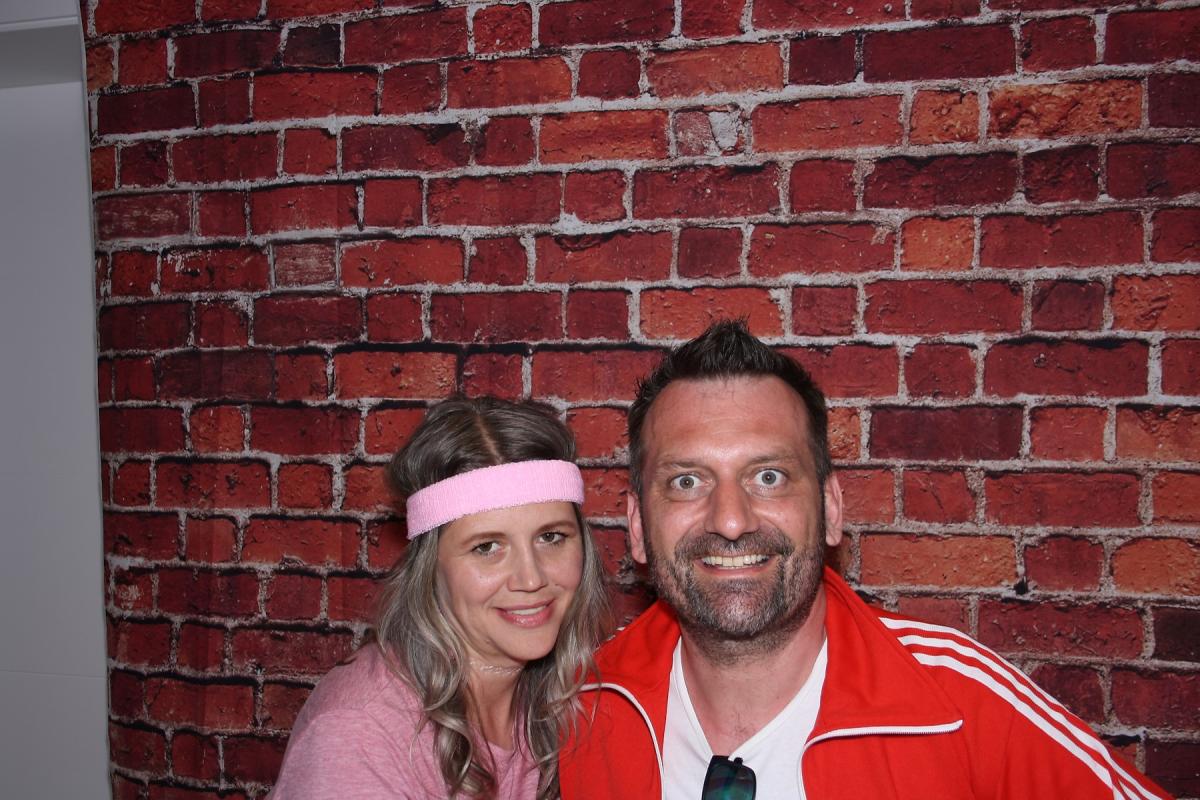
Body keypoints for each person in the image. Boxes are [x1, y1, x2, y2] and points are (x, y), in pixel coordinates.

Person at [559, 320, 1171, 800]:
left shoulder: (961, 706)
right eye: (687, 482)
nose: (731, 520)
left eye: (769, 476)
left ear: (830, 510)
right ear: (637, 527)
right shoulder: (575, 709)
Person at [271, 396, 610, 799]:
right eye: (487, 547)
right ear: (432, 566)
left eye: (551, 537)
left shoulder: (569, 695)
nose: (532, 578)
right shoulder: (357, 735)